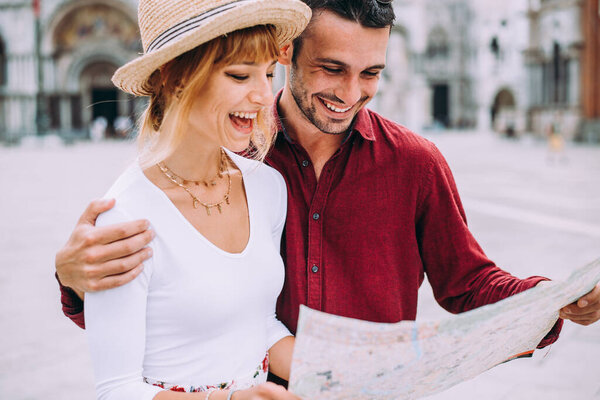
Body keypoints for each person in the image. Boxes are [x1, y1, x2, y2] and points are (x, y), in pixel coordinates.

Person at [56, 0, 600, 389]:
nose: (349, 94)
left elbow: (467, 280)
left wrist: (550, 300)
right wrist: (74, 278)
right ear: (289, 52)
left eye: (370, 74)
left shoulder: (413, 163)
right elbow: (161, 318)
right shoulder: (235, 149)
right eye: (331, 69)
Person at [67, 0, 312, 399]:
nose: (265, 95)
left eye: (269, 73)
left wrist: (343, 377)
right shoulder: (125, 218)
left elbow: (260, 324)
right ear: (176, 77)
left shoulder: (268, 186)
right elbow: (116, 390)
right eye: (239, 75)